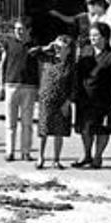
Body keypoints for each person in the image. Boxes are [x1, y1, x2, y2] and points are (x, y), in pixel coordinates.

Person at [73, 22, 111, 169]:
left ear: (105, 37)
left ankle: (98, 156)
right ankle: (86, 155)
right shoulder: (85, 52)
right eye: (91, 35)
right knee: (85, 128)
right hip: (85, 97)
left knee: (102, 129)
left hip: (104, 98)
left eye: (96, 35)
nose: (93, 38)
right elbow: (78, 75)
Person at [0, 16, 42, 162]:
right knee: (10, 122)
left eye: (21, 29)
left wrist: (40, 86)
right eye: (16, 29)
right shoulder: (9, 43)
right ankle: (9, 151)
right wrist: (1, 85)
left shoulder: (34, 45)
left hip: (29, 86)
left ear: (28, 30)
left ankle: (26, 152)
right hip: (11, 85)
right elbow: (2, 64)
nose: (18, 32)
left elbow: (39, 67)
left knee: (27, 122)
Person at [35, 35, 75, 169]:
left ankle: (56, 159)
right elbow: (31, 53)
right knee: (44, 130)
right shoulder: (48, 59)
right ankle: (40, 157)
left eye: (61, 47)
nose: (58, 50)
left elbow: (73, 86)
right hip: (46, 99)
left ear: (68, 50)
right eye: (56, 47)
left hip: (62, 101)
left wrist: (68, 102)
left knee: (59, 131)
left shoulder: (71, 65)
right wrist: (47, 46)